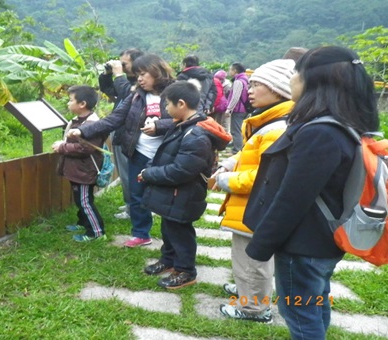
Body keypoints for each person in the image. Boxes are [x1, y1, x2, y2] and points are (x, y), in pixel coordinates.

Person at [244, 46, 379, 339]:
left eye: (296, 73)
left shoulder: (320, 133)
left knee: (299, 313)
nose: (292, 81)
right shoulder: (343, 123)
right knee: (315, 304)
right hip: (321, 240)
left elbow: (292, 199)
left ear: (315, 82)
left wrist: (261, 244)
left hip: (303, 245)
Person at [211, 59, 296, 323]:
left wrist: (227, 179)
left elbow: (264, 177)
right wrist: (230, 161)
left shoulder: (275, 128)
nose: (250, 89)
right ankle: (249, 290)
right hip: (252, 205)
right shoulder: (268, 122)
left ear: (279, 89)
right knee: (247, 255)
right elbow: (252, 156)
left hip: (255, 206)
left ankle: (254, 308)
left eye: (258, 84)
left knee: (253, 258)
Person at [68, 54, 176, 247]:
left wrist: (159, 126)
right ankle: (141, 233)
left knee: (167, 198)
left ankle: (172, 241)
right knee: (136, 194)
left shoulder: (175, 92)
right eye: (137, 74)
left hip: (166, 155)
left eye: (143, 74)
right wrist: (83, 129)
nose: (139, 79)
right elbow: (114, 118)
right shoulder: (136, 95)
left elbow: (190, 117)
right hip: (139, 153)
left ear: (156, 72)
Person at [140, 80, 215, 289]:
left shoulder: (196, 135)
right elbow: (163, 155)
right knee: (169, 227)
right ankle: (169, 260)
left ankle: (185, 270)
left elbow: (181, 171)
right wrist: (148, 169)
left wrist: (149, 174)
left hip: (184, 193)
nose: (165, 109)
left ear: (180, 104)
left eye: (167, 104)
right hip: (173, 193)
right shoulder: (181, 126)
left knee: (181, 232)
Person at [52, 85, 107, 242]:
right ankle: (83, 221)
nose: (68, 103)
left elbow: (85, 148)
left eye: (71, 100)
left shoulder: (91, 125)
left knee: (84, 201)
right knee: (81, 199)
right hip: (78, 169)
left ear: (82, 104)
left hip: (84, 170)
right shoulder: (79, 121)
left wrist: (63, 147)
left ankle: (96, 232)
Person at [99, 48, 144, 221]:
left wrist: (119, 75)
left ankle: (133, 210)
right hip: (121, 132)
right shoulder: (128, 80)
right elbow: (108, 89)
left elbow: (127, 93)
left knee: (129, 174)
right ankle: (130, 205)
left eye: (125, 63)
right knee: (126, 174)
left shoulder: (140, 83)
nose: (122, 66)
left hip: (130, 135)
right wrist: (107, 74)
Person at [225, 63, 251, 154]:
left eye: (230, 70)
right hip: (244, 108)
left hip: (238, 110)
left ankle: (237, 150)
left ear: (235, 71)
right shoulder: (246, 79)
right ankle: (239, 148)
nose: (229, 71)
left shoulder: (238, 81)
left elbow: (235, 97)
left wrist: (229, 109)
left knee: (236, 130)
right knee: (240, 129)